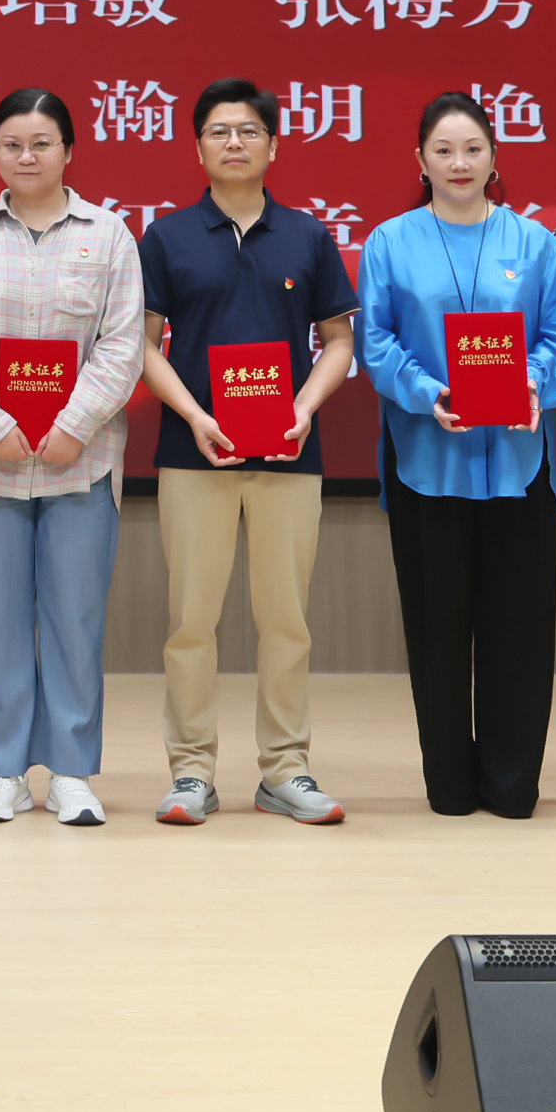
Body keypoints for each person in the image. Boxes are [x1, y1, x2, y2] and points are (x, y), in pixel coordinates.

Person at [137, 78, 359, 827]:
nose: (234, 142)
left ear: (274, 144)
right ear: (198, 146)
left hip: (288, 454)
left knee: (286, 622)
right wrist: (195, 415)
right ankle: (190, 772)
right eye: (219, 131)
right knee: (190, 622)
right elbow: (144, 345)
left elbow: (338, 341)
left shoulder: (308, 234)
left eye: (249, 131)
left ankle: (285, 769)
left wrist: (303, 408)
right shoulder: (166, 237)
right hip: (192, 452)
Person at [359, 91, 556, 820]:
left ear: (494, 157)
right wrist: (430, 393)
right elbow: (375, 343)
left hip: (519, 465)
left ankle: (512, 783)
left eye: (473, 149)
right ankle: (450, 784)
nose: (460, 163)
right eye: (444, 150)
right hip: (427, 462)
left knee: (520, 632)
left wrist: (532, 383)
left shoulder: (536, 243)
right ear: (420, 160)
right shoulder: (390, 242)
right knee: (438, 634)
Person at [0, 87, 144, 828]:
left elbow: (122, 344)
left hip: (80, 459)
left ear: (68, 151)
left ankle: (73, 772)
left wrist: (75, 424)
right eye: (12, 144)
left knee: (76, 619)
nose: (27, 156)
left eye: (42, 143)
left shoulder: (110, 236)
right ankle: (5, 771)